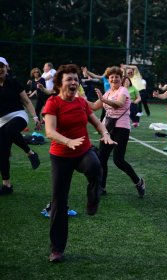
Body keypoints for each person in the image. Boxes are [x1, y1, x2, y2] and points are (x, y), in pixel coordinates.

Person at [42, 64, 115, 262]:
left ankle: (93, 198)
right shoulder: (53, 103)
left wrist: (105, 133)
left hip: (82, 150)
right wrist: (67, 142)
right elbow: (49, 131)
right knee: (59, 201)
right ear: (59, 83)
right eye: (69, 79)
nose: (73, 82)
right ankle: (57, 249)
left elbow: (96, 121)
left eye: (76, 79)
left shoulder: (81, 102)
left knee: (95, 166)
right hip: (61, 155)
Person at [89, 66, 146, 197]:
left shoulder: (124, 90)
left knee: (118, 160)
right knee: (101, 158)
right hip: (107, 129)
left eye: (117, 77)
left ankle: (139, 182)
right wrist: (77, 99)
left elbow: (119, 104)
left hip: (122, 128)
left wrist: (103, 100)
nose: (114, 79)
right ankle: (101, 187)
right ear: (108, 79)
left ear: (121, 79)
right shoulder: (108, 92)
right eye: (112, 77)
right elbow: (93, 106)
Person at [0, 57, 41, 196]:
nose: (0, 69)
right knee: (2, 154)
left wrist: (35, 118)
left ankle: (29, 152)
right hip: (1, 121)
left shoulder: (13, 82)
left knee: (9, 130)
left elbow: (27, 101)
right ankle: (7, 185)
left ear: (7, 68)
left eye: (2, 66)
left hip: (18, 115)